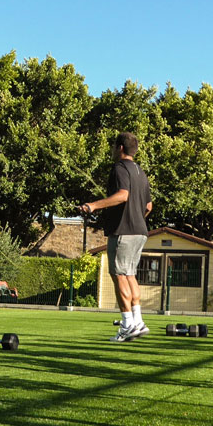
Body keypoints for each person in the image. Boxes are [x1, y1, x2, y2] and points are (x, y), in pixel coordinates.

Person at [80, 132, 152, 342]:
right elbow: (148, 206)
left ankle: (128, 323)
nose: (112, 149)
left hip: (123, 231)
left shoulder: (119, 168)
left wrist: (93, 205)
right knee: (130, 275)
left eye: (113, 146)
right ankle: (138, 321)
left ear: (120, 148)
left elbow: (123, 195)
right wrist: (137, 217)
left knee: (119, 275)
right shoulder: (141, 171)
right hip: (140, 231)